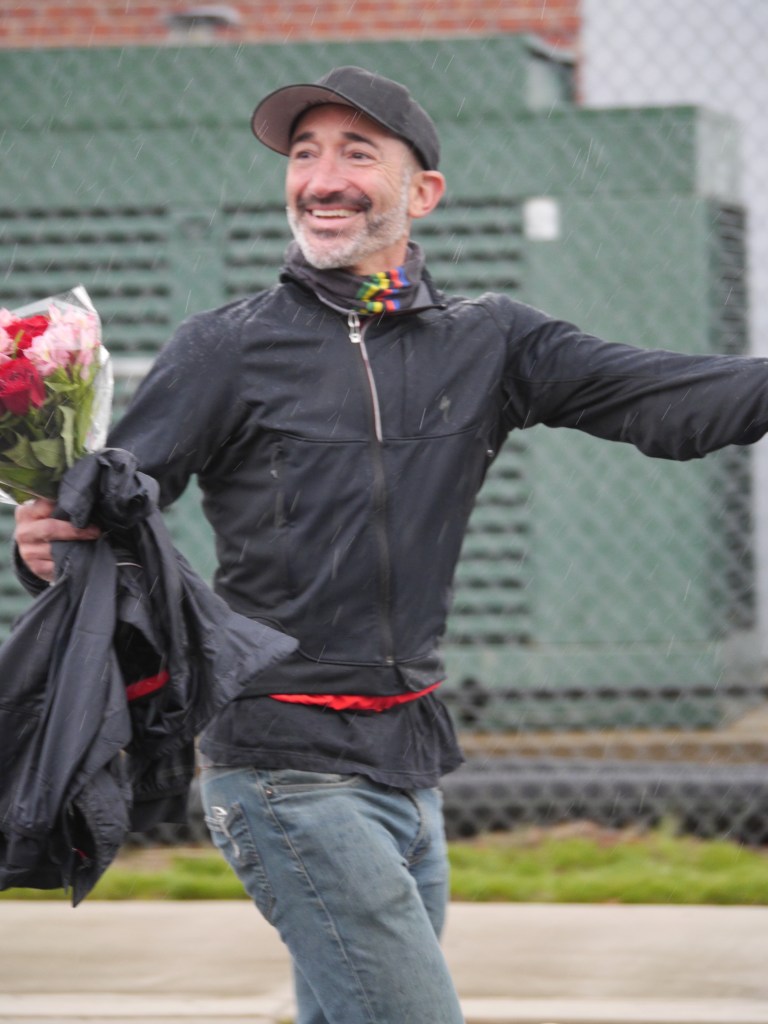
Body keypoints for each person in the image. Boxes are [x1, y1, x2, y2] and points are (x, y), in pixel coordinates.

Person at [14, 65, 768, 1023]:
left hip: (411, 762)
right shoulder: (228, 347)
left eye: (357, 153)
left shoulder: (491, 340)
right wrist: (53, 537)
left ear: (424, 193)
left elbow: (667, 398)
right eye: (303, 154)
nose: (321, 178)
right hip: (282, 765)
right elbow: (114, 505)